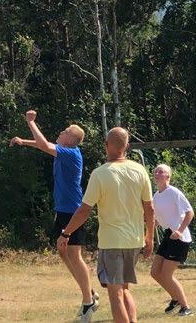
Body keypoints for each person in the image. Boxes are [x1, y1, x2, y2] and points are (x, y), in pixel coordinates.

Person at [58, 127, 154, 323]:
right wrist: (149, 237)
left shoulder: (100, 173)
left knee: (115, 293)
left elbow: (84, 210)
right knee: (124, 288)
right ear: (127, 146)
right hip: (134, 240)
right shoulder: (140, 170)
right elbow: (149, 208)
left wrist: (66, 233)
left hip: (111, 242)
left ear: (106, 146)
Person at [9, 109, 98, 319]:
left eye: (65, 131)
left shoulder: (72, 153)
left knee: (74, 255)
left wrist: (31, 122)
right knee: (63, 252)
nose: (61, 131)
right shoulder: (63, 150)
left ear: (72, 139)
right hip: (63, 210)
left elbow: (44, 144)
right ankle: (90, 293)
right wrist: (24, 141)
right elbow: (45, 146)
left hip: (74, 211)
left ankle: (88, 302)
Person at [150, 163, 195, 316]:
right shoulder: (156, 195)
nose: (157, 173)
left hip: (180, 238)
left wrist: (180, 230)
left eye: (161, 171)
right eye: (156, 171)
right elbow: (156, 220)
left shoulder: (174, 192)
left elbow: (190, 213)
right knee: (155, 272)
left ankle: (186, 307)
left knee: (167, 274)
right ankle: (175, 299)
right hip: (168, 236)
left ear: (168, 176)